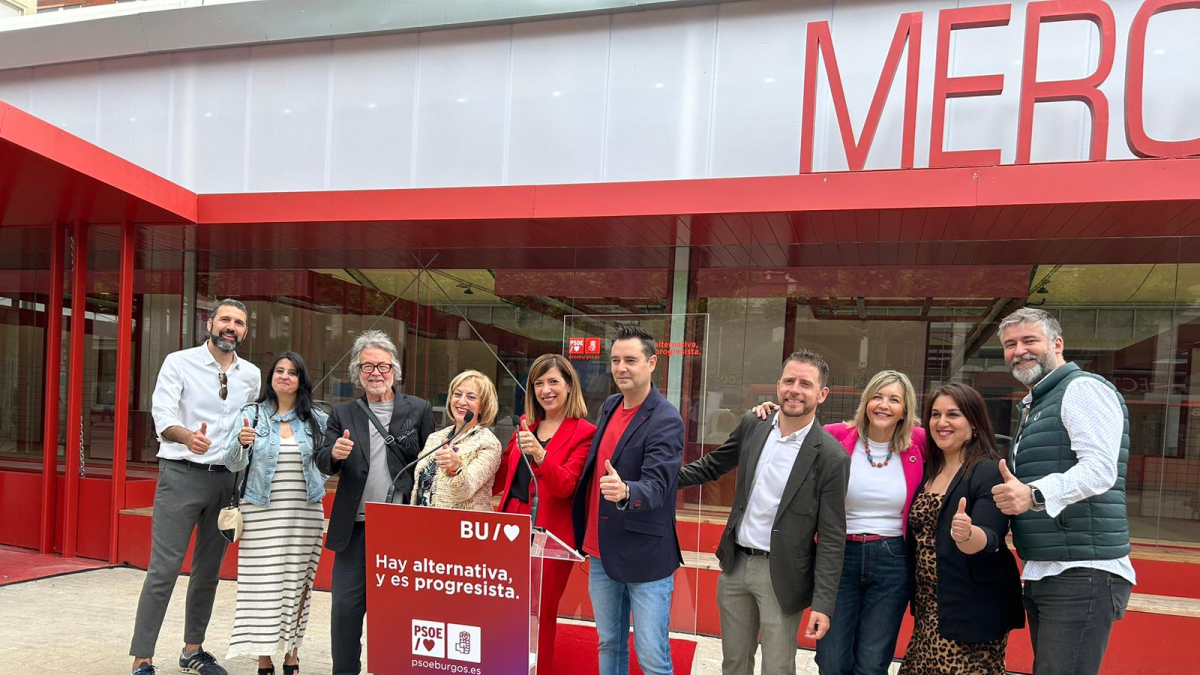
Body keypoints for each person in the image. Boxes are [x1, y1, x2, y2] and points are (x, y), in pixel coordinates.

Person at [680, 350, 850, 675]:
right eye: (789, 381)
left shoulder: (831, 457)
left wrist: (823, 604)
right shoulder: (753, 424)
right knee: (734, 664)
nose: (795, 390)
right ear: (778, 385)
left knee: (778, 668)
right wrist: (651, 482)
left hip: (783, 575)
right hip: (736, 565)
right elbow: (712, 466)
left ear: (822, 394)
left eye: (806, 384)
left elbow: (831, 538)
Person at [991, 307, 1135, 675]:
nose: (1019, 350)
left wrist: (1034, 494)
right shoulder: (1038, 404)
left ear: (1057, 344)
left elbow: (1100, 468)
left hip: (1082, 571)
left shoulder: (1082, 389)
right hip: (1048, 569)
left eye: (1029, 340)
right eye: (1010, 344)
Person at [755, 369, 926, 675]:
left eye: (894, 400)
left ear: (905, 409)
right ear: (866, 401)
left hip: (893, 559)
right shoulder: (837, 435)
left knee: (872, 662)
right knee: (831, 660)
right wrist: (769, 412)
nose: (884, 405)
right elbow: (795, 426)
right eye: (877, 396)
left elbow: (956, 435)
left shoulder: (918, 443)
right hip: (839, 557)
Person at [130, 299, 261, 675]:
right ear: (210, 323)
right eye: (225, 319)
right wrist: (187, 437)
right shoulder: (179, 362)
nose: (231, 327)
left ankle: (193, 650)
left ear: (245, 331)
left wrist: (249, 435)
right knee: (164, 569)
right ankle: (142, 659)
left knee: (208, 571)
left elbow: (250, 420)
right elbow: (162, 415)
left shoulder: (250, 375)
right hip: (181, 475)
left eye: (239, 322)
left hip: (226, 481)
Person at [315, 330, 435, 675]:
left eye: (382, 365)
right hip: (354, 529)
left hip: (401, 530)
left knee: (397, 610)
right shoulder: (343, 413)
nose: (376, 373)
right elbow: (322, 458)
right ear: (357, 373)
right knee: (345, 610)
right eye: (367, 366)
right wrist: (334, 455)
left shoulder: (419, 409)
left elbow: (430, 463)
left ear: (394, 370)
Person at [571, 324, 684, 675]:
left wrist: (626, 492)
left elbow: (658, 485)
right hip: (602, 551)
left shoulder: (666, 419)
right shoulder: (609, 405)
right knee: (609, 643)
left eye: (631, 360)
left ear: (652, 363)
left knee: (651, 655)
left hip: (645, 556)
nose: (621, 367)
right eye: (616, 360)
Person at [899, 383, 1023, 675]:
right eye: (935, 414)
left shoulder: (988, 470)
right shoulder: (931, 468)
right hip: (930, 609)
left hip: (971, 609)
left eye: (953, 415)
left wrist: (967, 534)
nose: (942, 422)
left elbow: (990, 537)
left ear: (974, 423)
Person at [222, 352, 329, 675]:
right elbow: (232, 463)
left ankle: (292, 656)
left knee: (298, 585)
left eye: (292, 372)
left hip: (304, 511)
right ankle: (264, 659)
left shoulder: (317, 419)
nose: (284, 376)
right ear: (270, 378)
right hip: (260, 512)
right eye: (279, 371)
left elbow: (327, 463)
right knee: (262, 589)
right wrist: (241, 443)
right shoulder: (251, 414)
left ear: (301, 380)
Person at [493, 354, 596, 675]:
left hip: (551, 535)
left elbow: (567, 485)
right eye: (538, 383)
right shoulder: (526, 426)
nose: (545, 389)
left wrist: (540, 453)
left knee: (539, 613)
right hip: (510, 527)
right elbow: (498, 479)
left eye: (553, 382)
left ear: (569, 386)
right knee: (505, 608)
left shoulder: (584, 432)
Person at [411, 369, 503, 510]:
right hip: (423, 523)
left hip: (462, 528)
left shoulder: (488, 443)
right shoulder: (435, 438)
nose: (461, 401)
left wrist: (456, 468)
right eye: (457, 394)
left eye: (471, 397)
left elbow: (464, 491)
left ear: (483, 406)